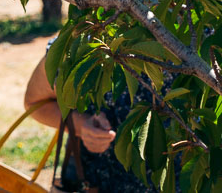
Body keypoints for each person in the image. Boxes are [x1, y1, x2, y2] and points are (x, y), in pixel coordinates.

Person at [24, 49, 175, 192]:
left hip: (174, 180)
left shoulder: (187, 44)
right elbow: (35, 102)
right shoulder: (81, 40)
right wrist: (81, 124)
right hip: (93, 180)